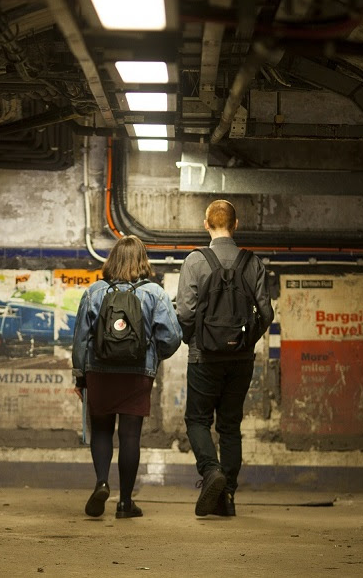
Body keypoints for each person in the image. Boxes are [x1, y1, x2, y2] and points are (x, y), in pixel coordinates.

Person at [71, 235, 182, 519]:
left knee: (102, 429)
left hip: (100, 372)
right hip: (137, 373)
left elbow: (81, 339)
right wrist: (153, 357)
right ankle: (125, 503)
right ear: (142, 261)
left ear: (112, 260)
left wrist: (81, 376)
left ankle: (101, 483)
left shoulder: (94, 292)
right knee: (130, 434)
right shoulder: (154, 293)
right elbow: (172, 336)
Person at [175, 199, 274, 517]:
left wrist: (194, 340)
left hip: (203, 356)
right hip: (241, 360)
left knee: (197, 420)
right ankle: (227, 496)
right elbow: (266, 312)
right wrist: (246, 342)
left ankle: (210, 472)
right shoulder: (252, 262)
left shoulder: (195, 260)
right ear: (236, 224)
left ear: (206, 224)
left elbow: (185, 312)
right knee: (230, 425)